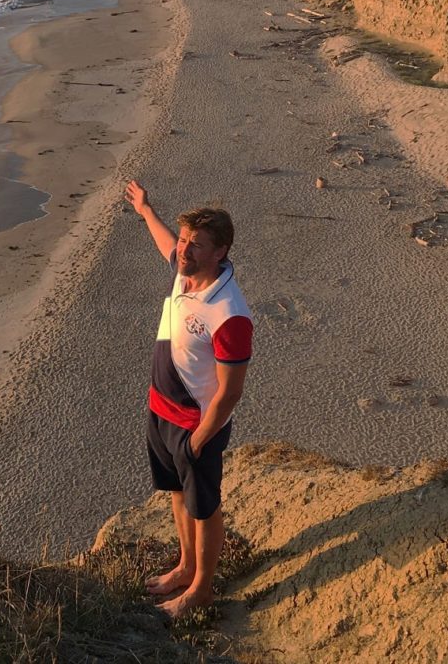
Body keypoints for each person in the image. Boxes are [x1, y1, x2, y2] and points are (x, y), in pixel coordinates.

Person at [124, 179, 252, 618]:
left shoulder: (229, 312)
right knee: (177, 495)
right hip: (161, 412)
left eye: (196, 245)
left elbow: (231, 391)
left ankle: (200, 589)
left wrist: (200, 438)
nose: (183, 250)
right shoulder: (184, 275)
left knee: (205, 508)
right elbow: (164, 242)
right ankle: (185, 566)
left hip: (196, 425)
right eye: (184, 241)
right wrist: (145, 209)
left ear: (220, 252)